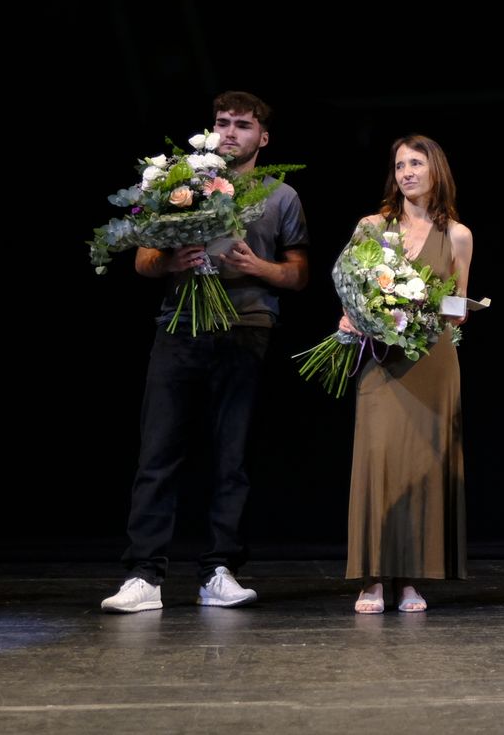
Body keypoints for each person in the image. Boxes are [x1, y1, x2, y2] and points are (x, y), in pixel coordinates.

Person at [102, 90, 310, 613]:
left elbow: (299, 272)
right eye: (222, 122)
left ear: (263, 137)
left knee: (230, 457)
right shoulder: (182, 183)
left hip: (246, 328)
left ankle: (219, 569)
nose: (231, 132)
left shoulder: (281, 195)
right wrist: (170, 264)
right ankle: (144, 576)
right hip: (179, 326)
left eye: (243, 124)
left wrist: (257, 268)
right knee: (158, 453)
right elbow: (144, 259)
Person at [344, 135, 474, 613]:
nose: (406, 173)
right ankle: (373, 579)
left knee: (423, 465)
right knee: (378, 462)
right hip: (382, 360)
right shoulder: (373, 226)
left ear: (435, 170)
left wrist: (453, 308)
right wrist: (356, 314)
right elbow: (352, 288)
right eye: (400, 165)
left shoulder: (458, 235)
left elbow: (457, 304)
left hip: (433, 360)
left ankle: (412, 581)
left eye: (416, 163)